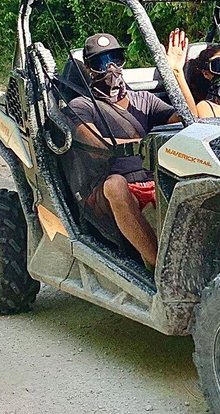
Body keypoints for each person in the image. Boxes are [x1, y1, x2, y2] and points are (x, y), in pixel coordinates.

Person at [66, 30, 198, 268]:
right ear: (88, 68)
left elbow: (190, 121)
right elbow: (96, 145)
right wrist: (146, 144)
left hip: (153, 180)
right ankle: (160, 267)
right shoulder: (82, 105)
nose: (110, 68)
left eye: (116, 59)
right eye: (101, 62)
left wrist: (176, 72)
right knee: (115, 184)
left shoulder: (144, 100)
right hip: (107, 191)